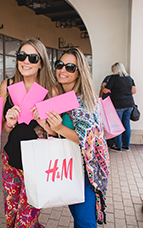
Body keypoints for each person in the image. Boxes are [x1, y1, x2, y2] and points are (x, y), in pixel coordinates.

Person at [43, 47, 109, 226]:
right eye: (60, 65)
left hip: (85, 171)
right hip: (69, 167)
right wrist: (43, 122)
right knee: (78, 217)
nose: (63, 70)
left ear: (79, 72)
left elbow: (90, 139)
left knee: (85, 220)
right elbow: (56, 133)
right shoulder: (62, 97)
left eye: (70, 67)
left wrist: (59, 127)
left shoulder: (85, 99)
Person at [0, 38, 58, 227]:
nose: (26, 61)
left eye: (33, 57)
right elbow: (3, 128)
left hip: (39, 163)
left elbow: (57, 133)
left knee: (25, 220)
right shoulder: (7, 85)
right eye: (21, 56)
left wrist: (44, 123)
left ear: (41, 62)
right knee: (11, 216)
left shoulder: (52, 90)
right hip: (12, 159)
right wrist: (8, 122)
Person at [102, 62, 136, 152]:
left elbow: (105, 91)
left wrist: (104, 87)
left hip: (118, 105)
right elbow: (134, 91)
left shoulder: (114, 78)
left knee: (117, 125)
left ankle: (118, 146)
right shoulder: (129, 78)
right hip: (129, 105)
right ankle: (126, 145)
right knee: (127, 125)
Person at [99, 74, 115, 147]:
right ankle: (116, 143)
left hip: (109, 103)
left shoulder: (109, 78)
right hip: (112, 103)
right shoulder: (127, 79)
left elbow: (103, 90)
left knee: (108, 123)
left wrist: (100, 99)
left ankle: (110, 142)